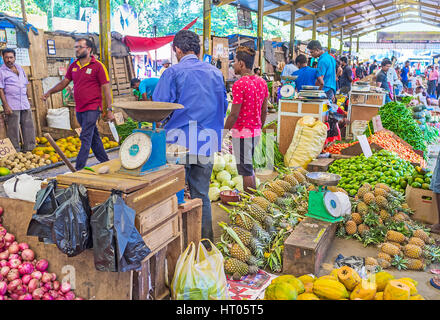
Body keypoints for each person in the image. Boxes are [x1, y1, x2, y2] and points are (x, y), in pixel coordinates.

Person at [152, 30, 228, 241]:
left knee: (172, 195)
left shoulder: (172, 73)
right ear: (198, 49)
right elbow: (223, 107)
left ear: (177, 49)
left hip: (178, 145)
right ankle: (204, 243)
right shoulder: (215, 73)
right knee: (201, 195)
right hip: (206, 142)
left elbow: (159, 108)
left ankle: (174, 244)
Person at [42, 38, 114, 170]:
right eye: (76, 47)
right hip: (79, 108)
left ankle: (78, 169)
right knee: (94, 137)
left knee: (85, 137)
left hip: (93, 107)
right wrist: (49, 92)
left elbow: (106, 89)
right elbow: (64, 83)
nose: (77, 49)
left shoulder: (98, 66)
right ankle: (105, 161)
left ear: (89, 49)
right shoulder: (74, 66)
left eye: (80, 47)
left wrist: (109, 109)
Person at [224, 46, 268, 193]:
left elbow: (233, 114)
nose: (234, 65)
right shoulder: (262, 82)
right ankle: (253, 199)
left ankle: (250, 203)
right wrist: (259, 127)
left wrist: (223, 133)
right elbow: (264, 110)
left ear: (241, 64)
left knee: (246, 171)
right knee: (249, 167)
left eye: (235, 62)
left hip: (242, 134)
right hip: (255, 132)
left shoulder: (239, 84)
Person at [0, 48, 36, 152]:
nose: (9, 60)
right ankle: (15, 151)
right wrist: (6, 105)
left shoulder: (20, 68)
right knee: (13, 129)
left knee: (28, 126)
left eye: (11, 57)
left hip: (24, 103)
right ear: (3, 58)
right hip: (12, 104)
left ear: (15, 58)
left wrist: (29, 98)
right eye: (6, 57)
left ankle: (30, 149)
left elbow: (25, 84)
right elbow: (1, 90)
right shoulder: (1, 72)